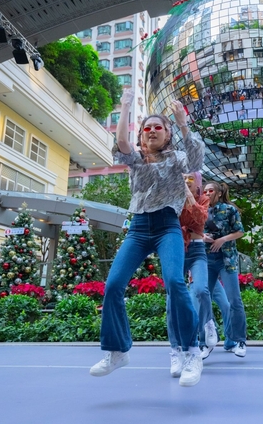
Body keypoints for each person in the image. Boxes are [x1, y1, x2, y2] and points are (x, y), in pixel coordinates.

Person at [89, 88, 205, 387]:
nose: (152, 131)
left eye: (158, 127)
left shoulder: (177, 158)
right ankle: (117, 352)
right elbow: (121, 143)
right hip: (139, 228)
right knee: (113, 285)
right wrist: (125, 106)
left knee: (175, 283)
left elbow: (196, 159)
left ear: (167, 134)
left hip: (167, 226)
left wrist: (182, 122)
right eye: (147, 128)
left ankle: (191, 352)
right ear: (141, 135)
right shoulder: (136, 159)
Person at [166, 171, 217, 377]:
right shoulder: (172, 198)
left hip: (196, 250)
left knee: (201, 290)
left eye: (190, 179)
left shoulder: (203, 199)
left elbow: (199, 217)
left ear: (198, 183)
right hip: (176, 249)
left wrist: (187, 193)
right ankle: (176, 350)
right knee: (171, 301)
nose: (186, 181)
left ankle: (208, 323)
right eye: (184, 178)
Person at [204, 182, 248, 357]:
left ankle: (239, 340)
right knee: (202, 298)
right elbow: (193, 231)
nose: (207, 193)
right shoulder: (201, 210)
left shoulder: (229, 210)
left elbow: (240, 231)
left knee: (234, 300)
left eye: (211, 190)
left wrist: (223, 239)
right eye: (205, 191)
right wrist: (203, 237)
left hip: (227, 259)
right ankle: (206, 341)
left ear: (219, 193)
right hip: (207, 259)